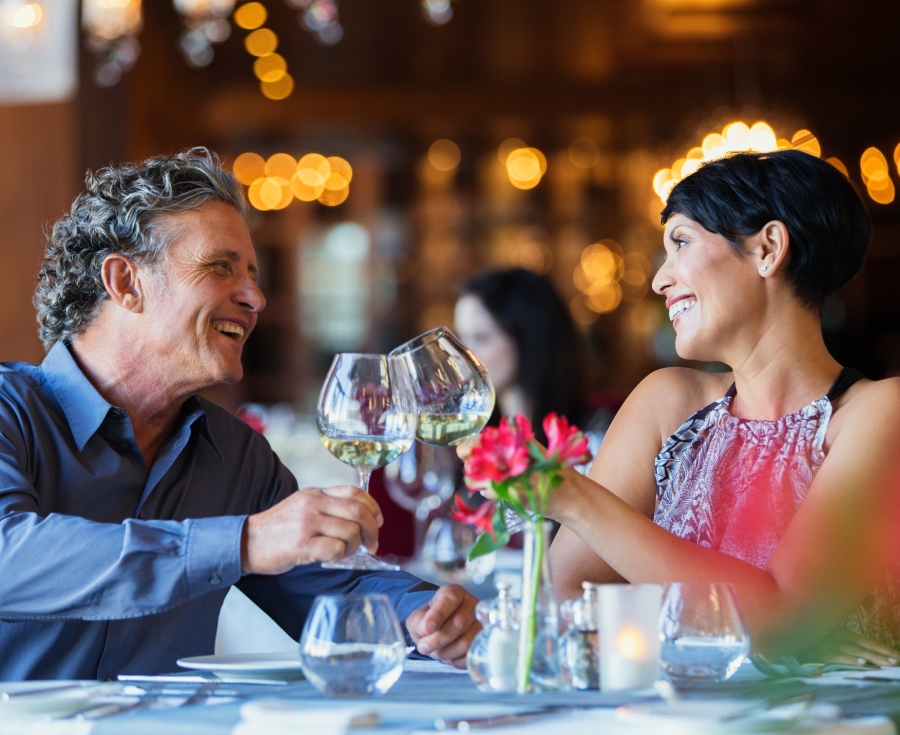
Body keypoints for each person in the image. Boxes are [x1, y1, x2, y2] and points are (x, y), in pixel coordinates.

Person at [0, 148, 477, 681]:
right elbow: (9, 554)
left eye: (252, 274)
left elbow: (330, 586)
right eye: (220, 268)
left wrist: (425, 616)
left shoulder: (236, 454)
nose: (255, 297)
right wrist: (243, 542)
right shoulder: (9, 413)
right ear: (126, 283)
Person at [547, 149, 900, 665]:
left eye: (681, 243)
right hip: (672, 722)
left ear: (768, 248)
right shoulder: (667, 402)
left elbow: (784, 618)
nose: (658, 280)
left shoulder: (878, 412)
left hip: (820, 733)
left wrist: (576, 500)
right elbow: (574, 591)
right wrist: (748, 629)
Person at [454, 268, 605, 451]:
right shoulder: (475, 436)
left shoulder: (593, 436)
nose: (463, 354)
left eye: (481, 337)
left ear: (528, 339)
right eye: (460, 339)